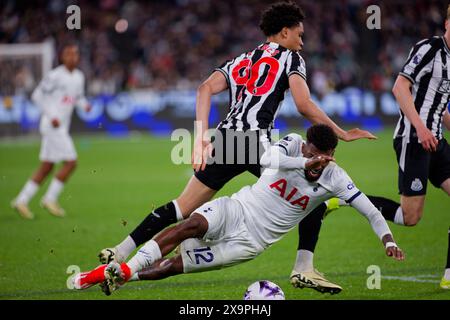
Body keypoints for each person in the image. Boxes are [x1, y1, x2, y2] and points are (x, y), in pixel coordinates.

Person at [96, 2, 375, 293]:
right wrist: (341, 133)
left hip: (227, 141)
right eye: (299, 34)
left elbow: (204, 88)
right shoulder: (292, 59)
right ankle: (304, 268)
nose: (302, 42)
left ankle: (120, 249)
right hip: (257, 143)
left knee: (181, 207)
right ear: (284, 32)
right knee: (310, 192)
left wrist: (201, 137)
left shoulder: (245, 58)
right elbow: (304, 104)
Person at [71, 124, 404, 296]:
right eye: (317, 154)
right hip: (237, 208)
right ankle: (125, 269)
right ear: (307, 146)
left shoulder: (335, 177)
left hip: (250, 244)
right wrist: (305, 160)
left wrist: (387, 239)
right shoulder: (290, 143)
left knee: (176, 266)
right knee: (189, 224)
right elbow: (267, 159)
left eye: (327, 157)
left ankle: (126, 277)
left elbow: (370, 210)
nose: (321, 163)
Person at [311, 5, 450, 290]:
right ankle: (344, 199)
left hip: (436, 139)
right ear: (447, 23)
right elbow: (399, 88)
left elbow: (438, 107)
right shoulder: (430, 49)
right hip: (414, 139)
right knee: (409, 217)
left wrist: (436, 126)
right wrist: (421, 127)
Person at [11, 43, 91, 219]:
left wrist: (85, 105)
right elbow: (37, 96)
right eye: (68, 54)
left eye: (75, 54)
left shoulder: (79, 76)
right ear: (62, 57)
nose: (72, 57)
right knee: (71, 163)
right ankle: (49, 198)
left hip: (61, 126)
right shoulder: (54, 76)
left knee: (47, 167)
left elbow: (77, 97)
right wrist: (52, 115)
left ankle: (21, 200)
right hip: (52, 125)